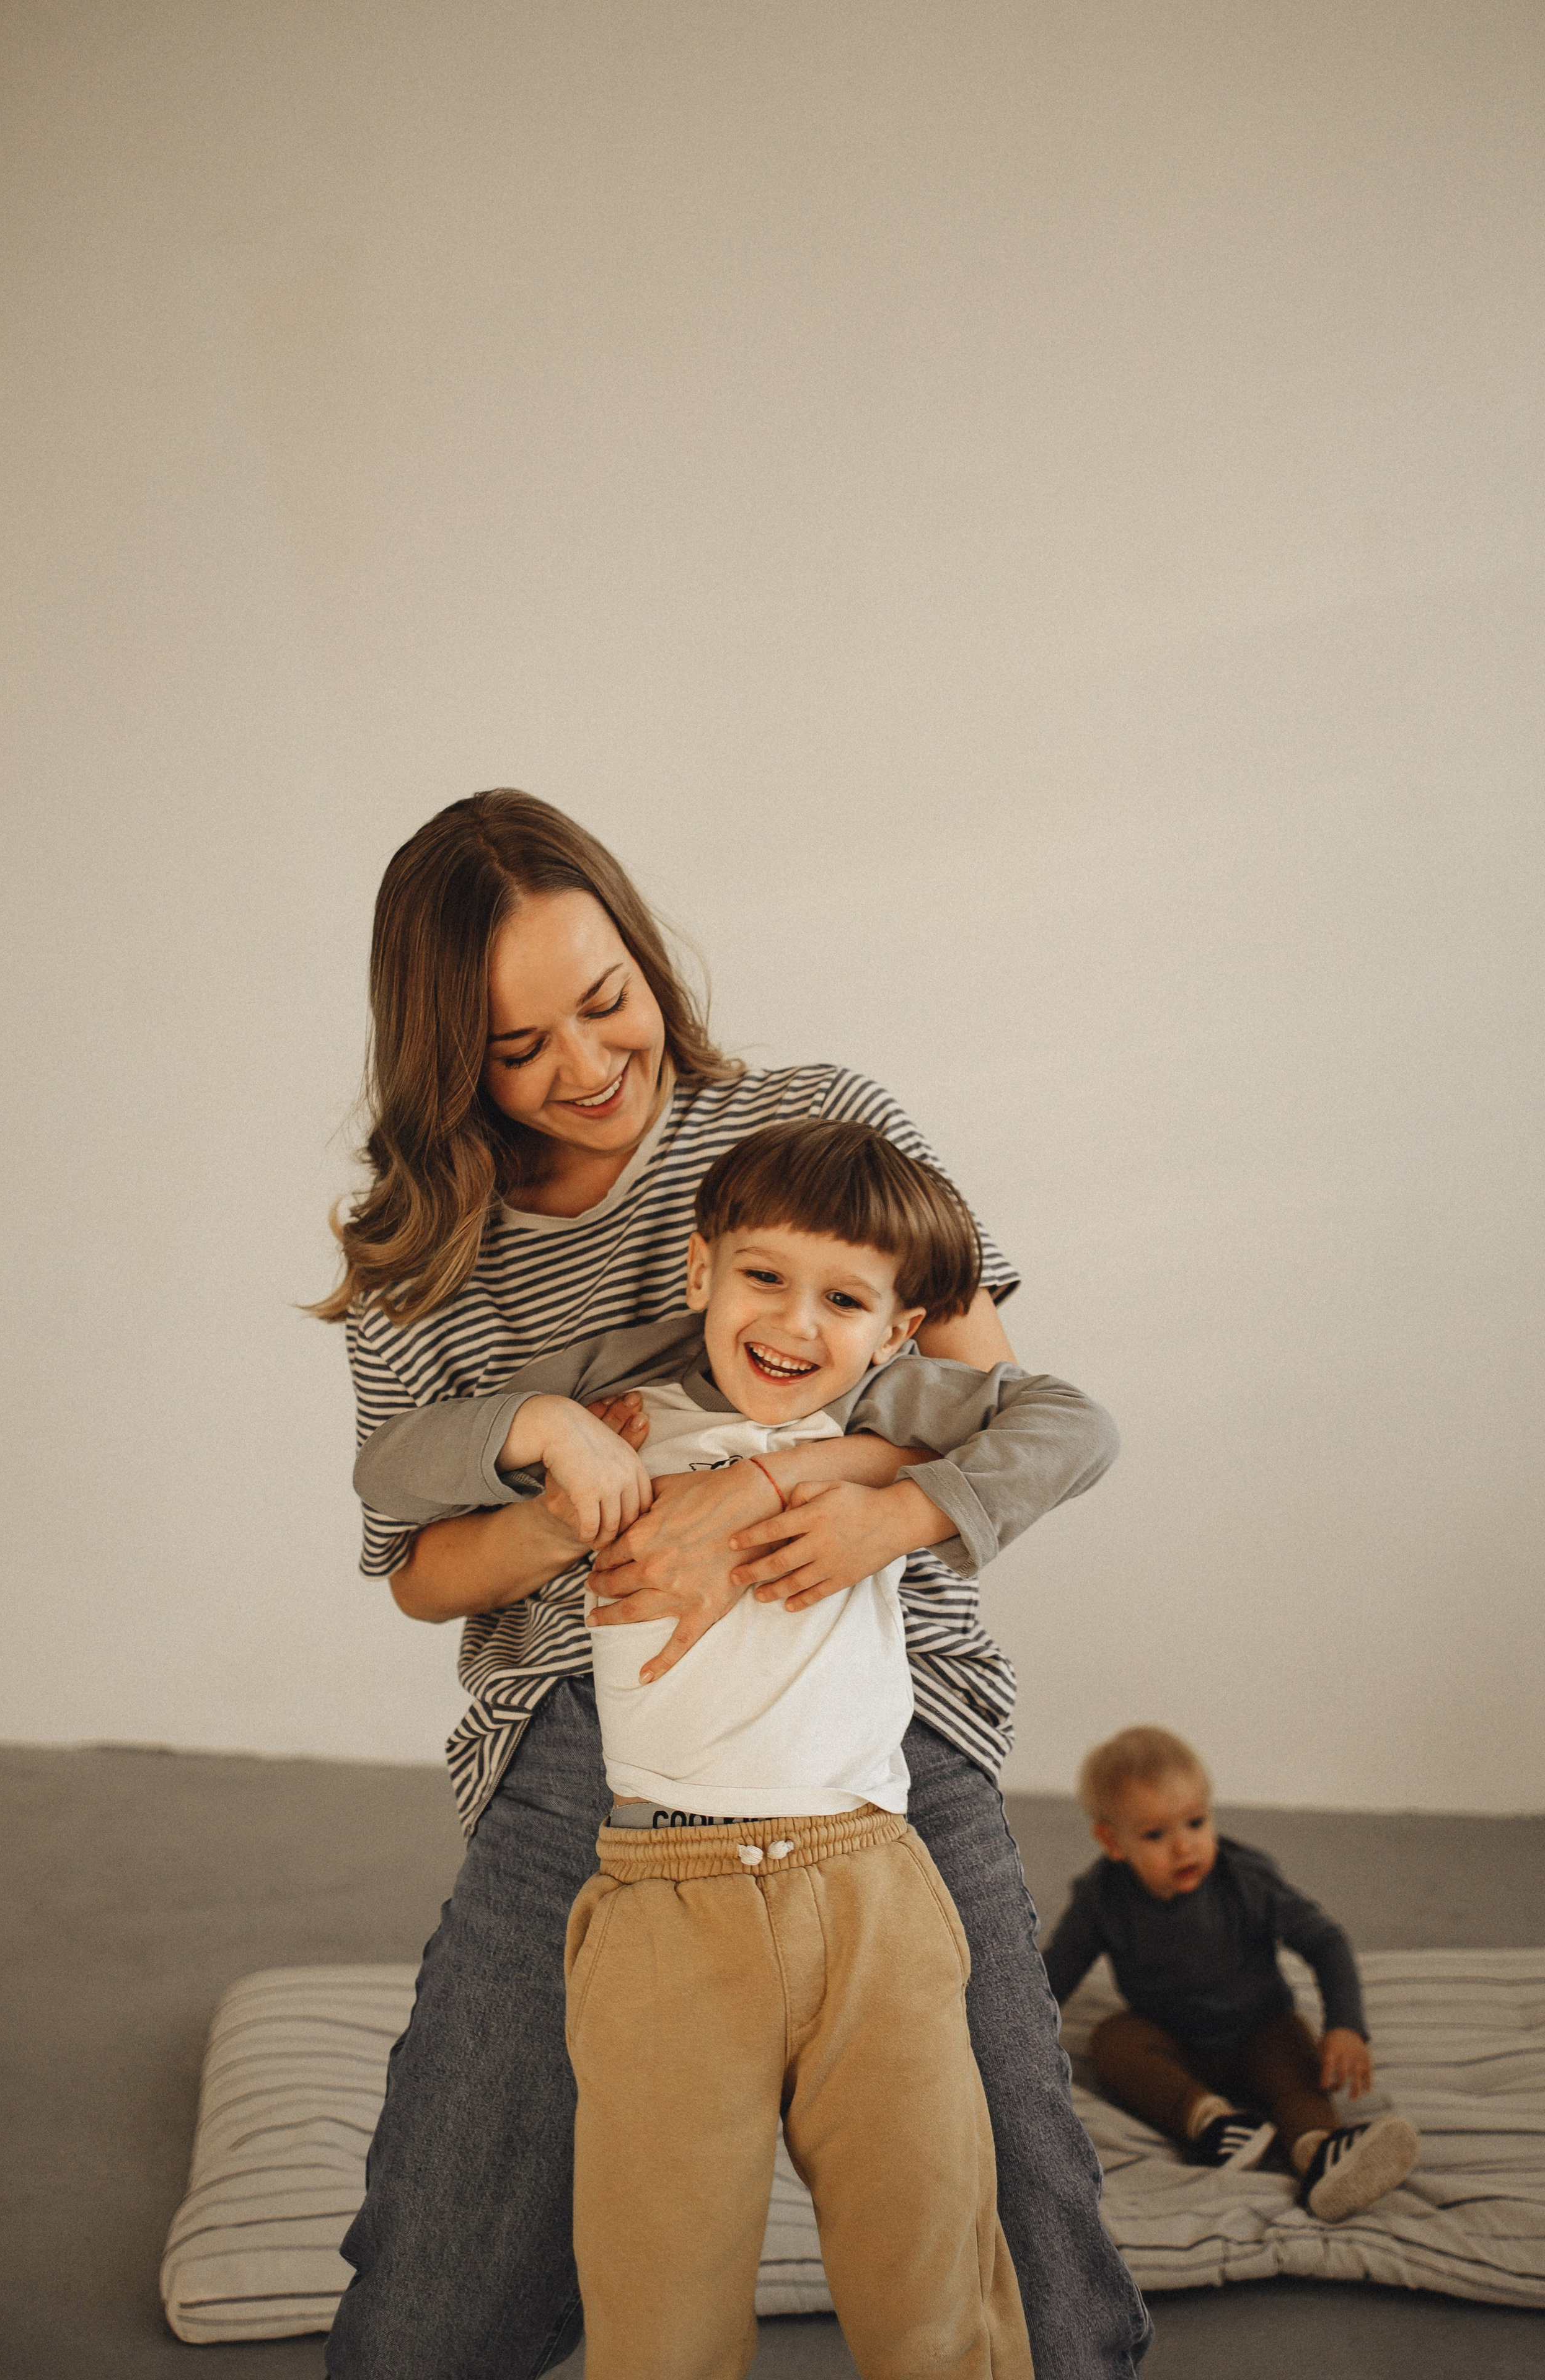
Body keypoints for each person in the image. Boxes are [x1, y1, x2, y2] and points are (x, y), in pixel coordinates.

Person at [315, 788, 1151, 2379]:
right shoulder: (421, 1254)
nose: (584, 1064)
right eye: (514, 1045)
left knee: (1025, 2270)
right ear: (443, 1057)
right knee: (422, 2321)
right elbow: (420, 1566)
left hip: (876, 1712)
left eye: (605, 997)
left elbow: (994, 1399)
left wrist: (807, 1498)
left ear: (644, 950)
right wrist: (574, 1486)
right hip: (593, 1739)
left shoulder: (818, 1119)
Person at [361, 1116, 1059, 2376]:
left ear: (898, 1330)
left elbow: (1074, 1426)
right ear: (699, 1271)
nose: (794, 1326)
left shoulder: (892, 1415)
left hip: (868, 1888)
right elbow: (394, 1467)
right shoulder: (621, 1400)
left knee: (929, 2271)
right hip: (662, 1897)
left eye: (843, 1299)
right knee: (657, 2285)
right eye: (763, 1279)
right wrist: (543, 1430)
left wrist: (878, 1506)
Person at [1041, 1726, 1420, 2222]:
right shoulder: (1100, 1899)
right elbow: (1055, 1973)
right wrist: (1009, 2030)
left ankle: (1321, 2152)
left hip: (1259, 2027)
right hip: (1172, 2039)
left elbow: (1325, 1941)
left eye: (1196, 1823)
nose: (1184, 1848)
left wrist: (1346, 2024)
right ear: (1112, 1842)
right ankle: (1214, 2122)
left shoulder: (1246, 1881)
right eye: (1156, 1835)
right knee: (1113, 2040)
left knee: (1295, 2068)